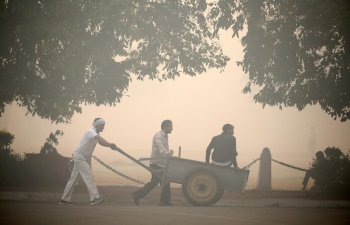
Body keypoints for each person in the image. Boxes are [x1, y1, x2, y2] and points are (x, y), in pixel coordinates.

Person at [59, 118, 117, 205]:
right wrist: (110, 144)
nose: (103, 127)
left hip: (83, 157)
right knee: (89, 176)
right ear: (97, 125)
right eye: (102, 125)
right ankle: (95, 198)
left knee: (73, 179)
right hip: (80, 157)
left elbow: (100, 142)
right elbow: (99, 139)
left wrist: (109, 145)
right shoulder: (91, 132)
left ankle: (64, 199)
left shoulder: (96, 133)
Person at [132, 120, 174, 206]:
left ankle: (164, 201)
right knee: (157, 181)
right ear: (165, 127)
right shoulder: (158, 136)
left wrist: (168, 155)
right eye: (171, 126)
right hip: (156, 163)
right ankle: (137, 194)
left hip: (161, 163)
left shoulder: (165, 136)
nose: (172, 128)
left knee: (164, 181)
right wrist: (168, 155)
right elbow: (161, 149)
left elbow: (163, 149)